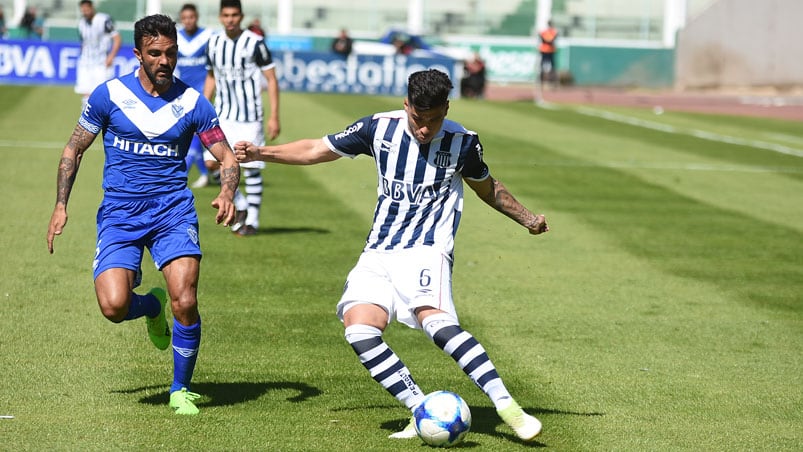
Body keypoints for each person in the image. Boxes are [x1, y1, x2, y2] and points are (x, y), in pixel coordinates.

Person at [234, 69, 547, 442]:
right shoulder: (378, 128)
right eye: (418, 119)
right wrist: (259, 153)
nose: (425, 129)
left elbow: (488, 188)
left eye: (434, 120)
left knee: (437, 324)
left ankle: (507, 407)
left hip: (426, 249)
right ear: (406, 106)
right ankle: (420, 409)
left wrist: (528, 219)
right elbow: (317, 149)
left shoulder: (463, 142)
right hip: (379, 250)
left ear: (446, 108)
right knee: (359, 329)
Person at [46, 13, 240, 416]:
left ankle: (180, 389)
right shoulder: (109, 95)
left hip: (173, 211)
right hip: (120, 212)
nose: (164, 61)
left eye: (170, 53)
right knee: (114, 306)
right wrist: (61, 205)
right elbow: (73, 149)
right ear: (138, 54)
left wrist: (226, 191)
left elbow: (225, 155)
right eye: (155, 53)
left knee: (185, 299)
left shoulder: (193, 102)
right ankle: (151, 307)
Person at [204, 0, 280, 236]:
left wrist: (274, 117)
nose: (230, 19)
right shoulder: (213, 43)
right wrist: (203, 107)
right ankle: (243, 205)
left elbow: (272, 79)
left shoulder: (255, 43)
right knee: (212, 163)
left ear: (241, 16)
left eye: (235, 15)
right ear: (220, 17)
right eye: (226, 15)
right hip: (222, 115)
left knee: (251, 168)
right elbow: (211, 77)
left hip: (249, 116)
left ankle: (252, 221)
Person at [176, 3, 213, 189]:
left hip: (203, 92)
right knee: (188, 134)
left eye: (191, 17)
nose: (188, 21)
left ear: (196, 17)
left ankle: (184, 171)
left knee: (198, 132)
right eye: (185, 18)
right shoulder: (176, 37)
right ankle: (206, 173)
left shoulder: (209, 36)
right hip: (183, 93)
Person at [75, 0, 122, 107]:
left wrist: (111, 56)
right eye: (83, 9)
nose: (85, 12)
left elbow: (117, 39)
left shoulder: (104, 20)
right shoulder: (81, 23)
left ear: (92, 7)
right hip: (85, 62)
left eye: (87, 9)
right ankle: (86, 119)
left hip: (101, 62)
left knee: (101, 93)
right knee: (85, 93)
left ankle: (102, 120)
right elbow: (84, 42)